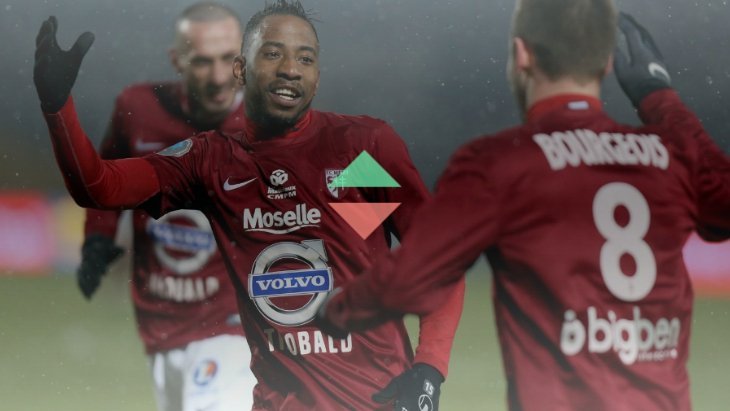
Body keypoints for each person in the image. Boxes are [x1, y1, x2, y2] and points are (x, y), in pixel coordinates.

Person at [33, 1, 465, 410]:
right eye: (273, 54)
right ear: (241, 70)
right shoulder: (211, 162)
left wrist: (429, 370)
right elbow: (100, 188)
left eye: (306, 58)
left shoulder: (363, 148)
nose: (291, 69)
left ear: (317, 76)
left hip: (376, 401)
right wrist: (57, 108)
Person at [319, 1, 730, 410]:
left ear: (522, 54)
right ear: (607, 63)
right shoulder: (670, 156)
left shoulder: (500, 164)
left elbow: (410, 280)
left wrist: (334, 312)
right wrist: (660, 99)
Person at [75, 3, 257, 411]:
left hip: (235, 324)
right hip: (160, 321)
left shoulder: (273, 120)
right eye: (203, 61)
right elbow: (105, 182)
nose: (218, 77)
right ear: (177, 60)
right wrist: (98, 238)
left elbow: (364, 171)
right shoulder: (138, 110)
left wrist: (362, 244)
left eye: (229, 59)